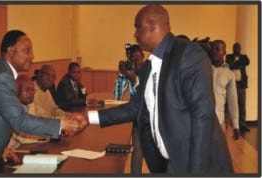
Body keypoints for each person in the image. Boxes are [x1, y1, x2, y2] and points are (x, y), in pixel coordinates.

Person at [77, 5, 234, 174]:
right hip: (169, 164)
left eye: (137, 27)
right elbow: (136, 107)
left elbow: (203, 117)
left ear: (152, 25)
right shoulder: (148, 66)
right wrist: (89, 117)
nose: (135, 34)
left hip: (196, 165)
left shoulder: (187, 54)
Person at [0, 30, 86, 174]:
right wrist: (62, 124)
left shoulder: (2, 72)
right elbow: (19, 120)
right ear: (10, 50)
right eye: (27, 50)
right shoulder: (2, 77)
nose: (32, 56)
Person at [113, 44, 145, 174]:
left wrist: (134, 80)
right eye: (132, 60)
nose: (135, 64)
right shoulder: (129, 73)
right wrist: (122, 76)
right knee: (137, 151)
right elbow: (117, 96)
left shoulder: (149, 70)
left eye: (137, 60)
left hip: (153, 119)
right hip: (137, 118)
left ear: (143, 57)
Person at [211, 40, 240, 140]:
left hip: (220, 122)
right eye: (213, 48)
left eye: (218, 49)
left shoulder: (229, 74)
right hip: (202, 122)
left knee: (219, 154)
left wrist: (236, 126)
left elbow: (233, 101)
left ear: (224, 52)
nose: (214, 51)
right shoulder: (202, 69)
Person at [225, 42, 250, 134]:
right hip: (231, 84)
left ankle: (242, 124)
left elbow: (247, 62)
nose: (237, 49)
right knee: (229, 104)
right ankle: (227, 123)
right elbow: (230, 65)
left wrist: (236, 64)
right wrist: (239, 64)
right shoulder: (228, 56)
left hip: (241, 84)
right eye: (235, 47)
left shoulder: (244, 57)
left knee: (242, 104)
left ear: (241, 49)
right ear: (233, 49)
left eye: (238, 48)